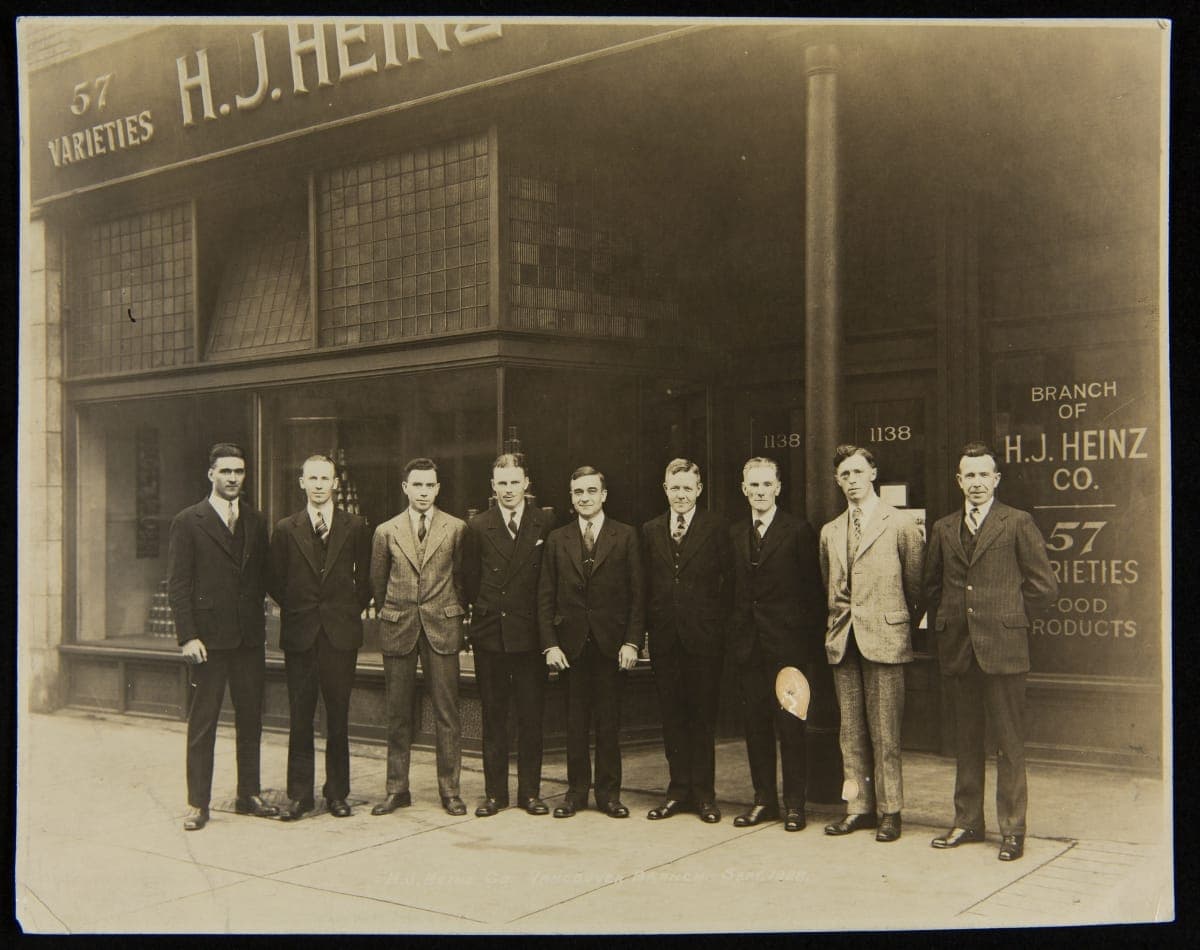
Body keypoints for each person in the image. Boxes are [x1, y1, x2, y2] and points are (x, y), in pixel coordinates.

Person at [924, 442, 1058, 862]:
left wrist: (1008, 617)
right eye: (970, 475)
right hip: (960, 649)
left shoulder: (1017, 523)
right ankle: (967, 822)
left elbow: (1045, 588)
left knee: (1008, 745)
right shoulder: (944, 528)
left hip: (1004, 649)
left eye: (985, 475)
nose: (977, 483)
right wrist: (947, 622)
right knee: (965, 743)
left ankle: (1013, 830)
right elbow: (931, 586)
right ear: (959, 481)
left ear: (996, 479)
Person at [167, 443, 279, 830]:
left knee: (251, 720)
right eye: (226, 471)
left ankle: (248, 793)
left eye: (240, 472)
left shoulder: (255, 520)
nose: (233, 478)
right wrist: (188, 636)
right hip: (208, 643)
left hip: (248, 639)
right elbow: (179, 585)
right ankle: (198, 802)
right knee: (203, 723)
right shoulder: (188, 521)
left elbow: (265, 577)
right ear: (211, 474)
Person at [818, 445, 924, 843]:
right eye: (844, 475)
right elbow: (828, 583)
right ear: (836, 481)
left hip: (885, 637)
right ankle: (858, 807)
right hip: (844, 640)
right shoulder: (831, 530)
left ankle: (890, 811)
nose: (851, 481)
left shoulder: (899, 524)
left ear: (873, 474)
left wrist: (892, 619)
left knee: (886, 733)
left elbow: (915, 585)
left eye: (858, 472)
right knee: (850, 731)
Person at [268, 455, 372, 821]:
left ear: (335, 483)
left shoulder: (356, 526)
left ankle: (337, 794)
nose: (318, 484)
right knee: (300, 717)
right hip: (301, 636)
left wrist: (341, 612)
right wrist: (303, 611)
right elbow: (275, 581)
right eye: (311, 478)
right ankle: (299, 796)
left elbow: (367, 583)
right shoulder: (285, 528)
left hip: (340, 636)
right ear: (301, 482)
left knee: (339, 717)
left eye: (324, 478)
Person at [538, 465, 645, 819]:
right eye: (578, 492)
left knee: (609, 724)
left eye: (590, 491)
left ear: (603, 495)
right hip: (570, 648)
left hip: (611, 646)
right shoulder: (558, 539)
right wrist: (550, 645)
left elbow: (637, 595)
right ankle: (575, 794)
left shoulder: (625, 536)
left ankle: (609, 795)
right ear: (571, 498)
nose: (584, 498)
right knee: (575, 723)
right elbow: (545, 596)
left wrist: (632, 642)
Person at [728, 457, 824, 832]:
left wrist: (804, 650)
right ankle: (763, 800)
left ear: (779, 488)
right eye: (753, 485)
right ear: (744, 489)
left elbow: (811, 594)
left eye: (767, 484)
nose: (760, 492)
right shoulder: (735, 533)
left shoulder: (798, 530)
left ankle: (795, 805)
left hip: (787, 650)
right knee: (755, 726)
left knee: (791, 726)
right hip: (748, 646)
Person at [369, 458, 469, 817]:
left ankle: (450, 791)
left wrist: (449, 611)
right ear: (405, 487)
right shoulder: (386, 531)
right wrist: (396, 610)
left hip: (442, 626)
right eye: (417, 485)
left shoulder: (456, 528)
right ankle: (397, 789)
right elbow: (378, 584)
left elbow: (461, 579)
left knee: (447, 713)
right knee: (398, 714)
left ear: (438, 489)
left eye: (430, 486)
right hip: (399, 626)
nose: (424, 492)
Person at [641, 459, 733, 824]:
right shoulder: (649, 530)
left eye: (687, 488)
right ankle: (677, 791)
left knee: (701, 718)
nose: (680, 495)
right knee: (672, 718)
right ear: (665, 490)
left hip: (703, 640)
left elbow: (729, 584)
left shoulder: (716, 528)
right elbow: (645, 586)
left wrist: (717, 629)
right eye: (674, 488)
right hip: (666, 639)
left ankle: (704, 795)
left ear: (699, 490)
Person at [462, 453, 553, 817]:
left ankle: (530, 793)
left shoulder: (544, 522)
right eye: (502, 483)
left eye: (515, 482)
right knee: (494, 718)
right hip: (492, 635)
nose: (509, 490)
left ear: (526, 483)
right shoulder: (478, 526)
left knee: (531, 717)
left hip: (530, 636)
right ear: (492, 486)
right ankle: (495, 794)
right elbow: (469, 581)